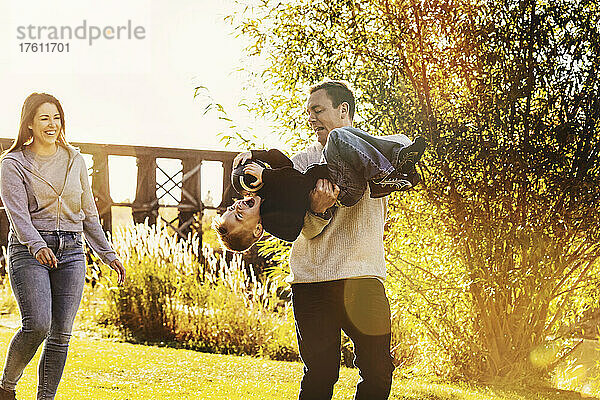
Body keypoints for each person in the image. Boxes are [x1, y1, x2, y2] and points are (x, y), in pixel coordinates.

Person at [0, 93, 126, 400]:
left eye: (56, 118)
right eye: (44, 118)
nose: (52, 124)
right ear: (29, 123)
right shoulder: (13, 163)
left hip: (71, 251)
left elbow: (88, 213)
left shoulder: (74, 159)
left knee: (61, 335)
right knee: (38, 324)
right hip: (29, 252)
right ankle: (6, 388)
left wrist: (107, 253)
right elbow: (17, 214)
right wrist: (36, 245)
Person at [290, 81, 398, 400]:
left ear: (344, 110)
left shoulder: (377, 154)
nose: (310, 117)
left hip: (362, 275)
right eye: (308, 112)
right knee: (321, 373)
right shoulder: (301, 163)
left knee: (378, 369)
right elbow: (302, 229)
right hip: (312, 280)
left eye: (318, 110)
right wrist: (316, 210)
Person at [213, 127, 425, 251]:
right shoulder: (277, 223)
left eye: (233, 209)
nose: (238, 206)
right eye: (240, 216)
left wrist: (256, 155)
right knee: (337, 137)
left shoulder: (266, 194)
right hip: (343, 189)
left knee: (344, 134)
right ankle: (383, 175)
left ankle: (397, 162)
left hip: (341, 177)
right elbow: (299, 183)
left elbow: (283, 161)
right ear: (257, 230)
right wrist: (267, 176)